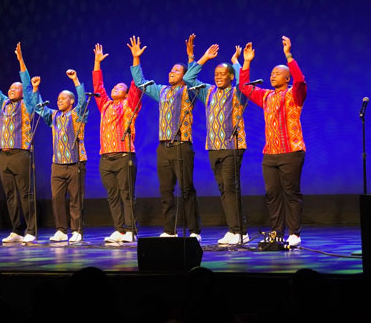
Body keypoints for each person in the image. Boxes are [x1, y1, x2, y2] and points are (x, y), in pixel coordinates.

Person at [128, 34, 202, 241]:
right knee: (166, 191)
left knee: (187, 189)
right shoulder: (161, 91)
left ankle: (194, 230)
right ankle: (170, 230)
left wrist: (190, 57)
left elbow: (191, 77)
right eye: (171, 70)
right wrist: (136, 58)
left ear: (184, 75)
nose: (171, 72)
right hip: (164, 147)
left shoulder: (190, 90)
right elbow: (140, 82)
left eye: (176, 70)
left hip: (182, 145)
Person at [238, 37, 306, 247]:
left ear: (287, 78)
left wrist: (288, 56)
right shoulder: (266, 96)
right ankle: (277, 232)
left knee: (291, 193)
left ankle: (294, 233)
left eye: (277, 73)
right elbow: (245, 88)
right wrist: (247, 62)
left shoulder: (295, 95)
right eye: (271, 74)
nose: (272, 76)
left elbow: (301, 80)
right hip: (270, 154)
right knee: (272, 194)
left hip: (291, 151)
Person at [183, 41, 250, 245]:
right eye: (216, 74)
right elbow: (188, 78)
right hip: (214, 146)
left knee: (230, 188)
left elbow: (243, 82)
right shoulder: (208, 92)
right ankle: (235, 230)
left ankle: (239, 231)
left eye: (223, 74)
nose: (218, 77)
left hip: (232, 146)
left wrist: (237, 63)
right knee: (223, 188)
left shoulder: (238, 93)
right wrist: (202, 58)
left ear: (231, 77)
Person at [0, 43, 39, 244]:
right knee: (10, 194)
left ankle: (31, 231)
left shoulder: (27, 105)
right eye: (10, 88)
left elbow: (27, 86)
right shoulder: (3, 103)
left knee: (26, 193)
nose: (11, 90)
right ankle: (16, 230)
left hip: (21, 153)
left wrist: (20, 60)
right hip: (4, 154)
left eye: (15, 88)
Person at [92, 43, 142, 243]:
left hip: (124, 156)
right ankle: (119, 230)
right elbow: (98, 87)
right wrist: (97, 62)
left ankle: (131, 229)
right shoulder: (104, 105)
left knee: (127, 194)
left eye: (120, 87)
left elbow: (136, 85)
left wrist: (135, 58)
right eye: (114, 86)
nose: (115, 88)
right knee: (112, 196)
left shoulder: (130, 105)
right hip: (106, 157)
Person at [32, 69, 88, 243]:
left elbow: (83, 102)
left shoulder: (77, 114)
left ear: (71, 101)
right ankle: (61, 230)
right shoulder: (54, 115)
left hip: (75, 162)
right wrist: (35, 89)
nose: (59, 101)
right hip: (57, 163)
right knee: (57, 198)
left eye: (63, 98)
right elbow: (38, 108)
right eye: (58, 99)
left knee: (75, 198)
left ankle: (77, 230)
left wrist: (76, 80)